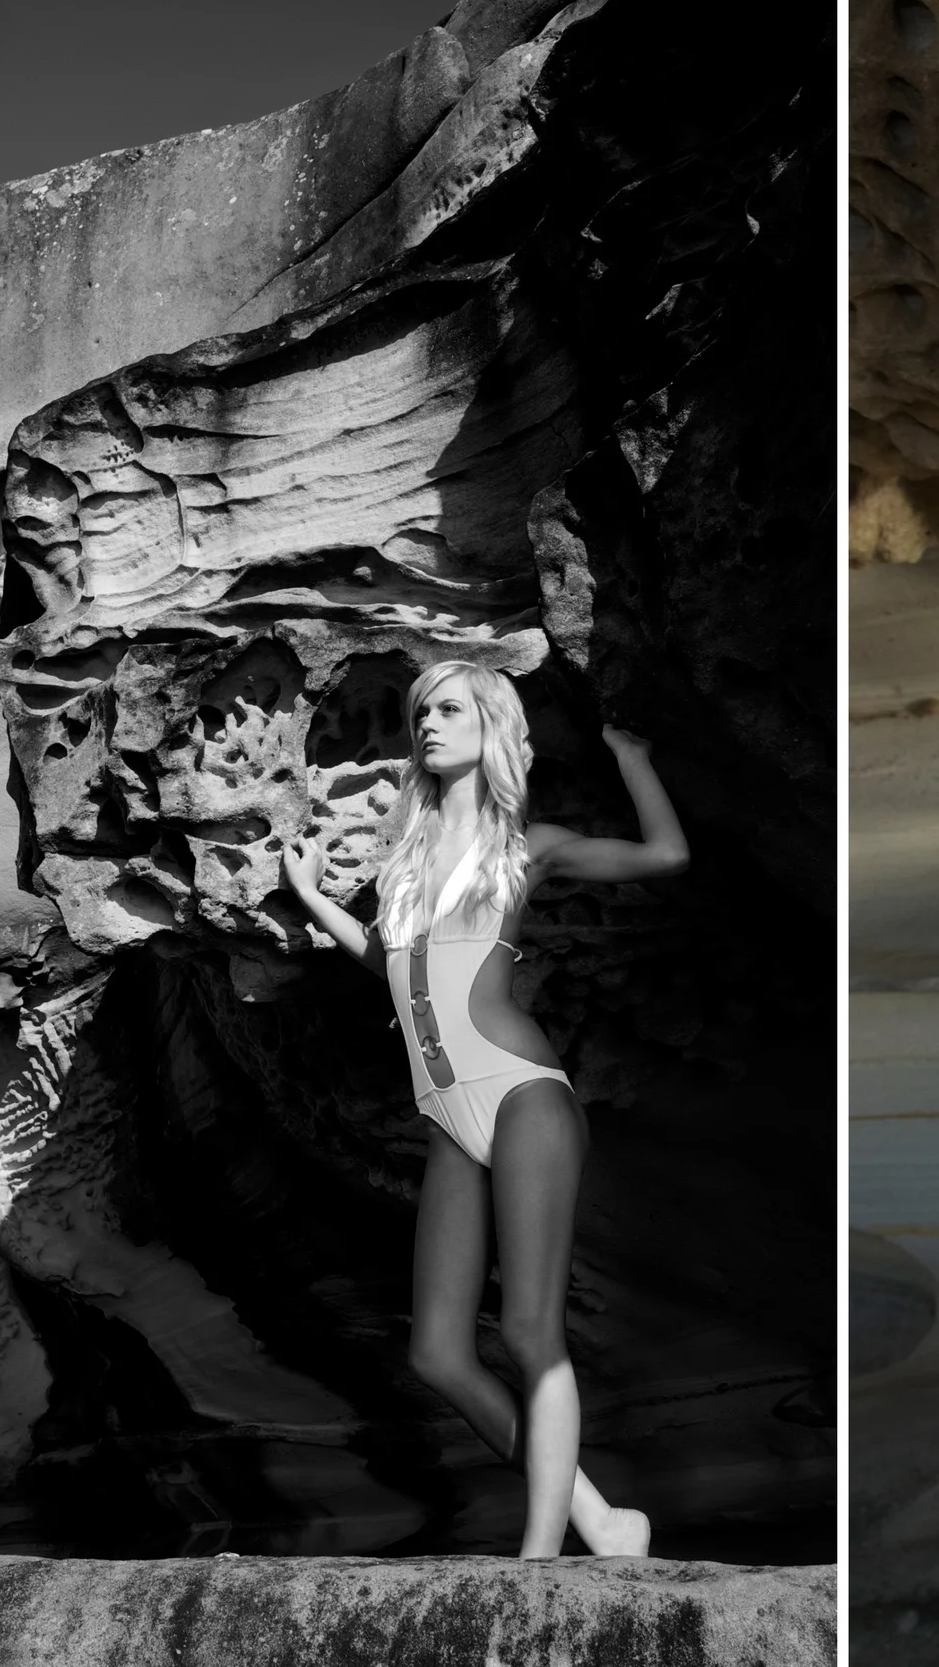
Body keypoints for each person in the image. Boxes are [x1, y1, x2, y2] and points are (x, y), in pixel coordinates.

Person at [282, 658, 689, 1561]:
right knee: (437, 1352)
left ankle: (541, 1564)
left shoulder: (521, 843)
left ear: (488, 726)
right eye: (422, 711)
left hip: (522, 1096)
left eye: (450, 709)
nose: (429, 723)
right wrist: (312, 896)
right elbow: (392, 965)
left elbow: (666, 855)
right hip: (446, 1117)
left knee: (529, 1329)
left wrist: (629, 754)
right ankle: (601, 1520)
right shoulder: (407, 858)